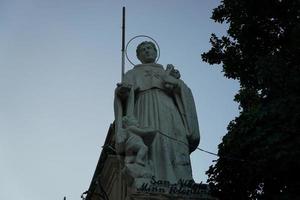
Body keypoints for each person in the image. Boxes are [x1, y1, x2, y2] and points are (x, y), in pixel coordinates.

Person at [114, 41, 200, 184]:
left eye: (149, 48)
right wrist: (122, 92)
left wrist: (176, 84)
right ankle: (152, 177)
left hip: (168, 107)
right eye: (143, 50)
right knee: (151, 140)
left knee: (175, 138)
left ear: (155, 51)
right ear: (138, 56)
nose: (147, 51)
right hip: (143, 106)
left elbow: (183, 91)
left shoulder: (166, 72)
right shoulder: (132, 73)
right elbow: (123, 94)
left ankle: (181, 179)